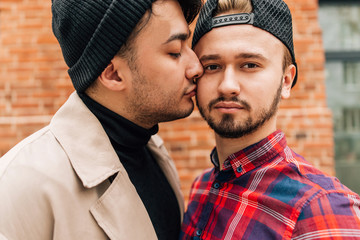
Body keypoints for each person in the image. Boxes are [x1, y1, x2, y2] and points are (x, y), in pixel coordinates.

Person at [0, 0, 203, 239]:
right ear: (114, 75)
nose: (196, 67)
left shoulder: (153, 152)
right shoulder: (21, 183)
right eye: (175, 52)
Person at [180, 0, 360, 239]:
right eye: (212, 66)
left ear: (286, 81)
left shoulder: (322, 209)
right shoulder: (201, 187)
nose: (227, 86)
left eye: (250, 65)